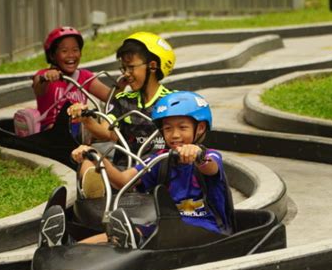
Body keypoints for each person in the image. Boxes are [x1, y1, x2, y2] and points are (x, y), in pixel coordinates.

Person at [68, 91, 232, 246]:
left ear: (200, 128)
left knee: (142, 236)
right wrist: (96, 156)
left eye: (182, 128)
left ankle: (133, 242)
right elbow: (123, 181)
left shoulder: (209, 156)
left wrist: (198, 156)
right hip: (168, 227)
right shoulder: (160, 160)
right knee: (124, 233)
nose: (174, 135)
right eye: (168, 128)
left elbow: (210, 167)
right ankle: (68, 249)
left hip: (208, 231)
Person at [68, 31, 176, 176]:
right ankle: (94, 196)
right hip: (124, 168)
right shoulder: (121, 100)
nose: (125, 73)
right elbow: (107, 133)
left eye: (131, 67)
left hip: (159, 170)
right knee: (88, 162)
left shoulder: (173, 100)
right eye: (124, 68)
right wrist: (86, 119)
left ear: (152, 66)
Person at [32, 26, 111, 131]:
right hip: (52, 135)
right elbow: (38, 87)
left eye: (75, 50)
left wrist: (122, 84)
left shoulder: (85, 76)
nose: (71, 55)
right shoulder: (44, 75)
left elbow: (111, 98)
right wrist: (46, 77)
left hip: (80, 132)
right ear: (52, 55)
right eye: (64, 51)